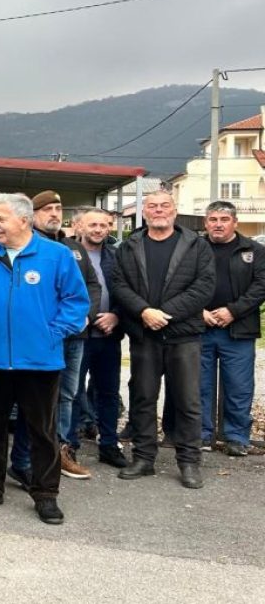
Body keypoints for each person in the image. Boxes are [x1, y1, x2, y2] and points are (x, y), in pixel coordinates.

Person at [0, 193, 89, 525]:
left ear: (23, 220)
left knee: (42, 432)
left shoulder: (56, 255)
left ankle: (46, 495)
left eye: (1, 218)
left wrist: (51, 333)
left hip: (40, 363)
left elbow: (77, 302)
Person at [110, 190, 214, 489]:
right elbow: (118, 284)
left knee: (188, 401)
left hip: (184, 335)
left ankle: (189, 462)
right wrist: (144, 311)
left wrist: (164, 314)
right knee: (143, 398)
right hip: (145, 336)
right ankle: (143, 459)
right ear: (144, 212)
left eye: (164, 205)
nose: (159, 210)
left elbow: (204, 287)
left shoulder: (197, 245)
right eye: (152, 206)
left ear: (174, 210)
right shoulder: (129, 246)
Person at [9, 191, 100, 483]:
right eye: (47, 209)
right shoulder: (25, 246)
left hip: (75, 335)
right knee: (35, 401)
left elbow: (91, 285)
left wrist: (85, 316)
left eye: (58, 208)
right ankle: (26, 460)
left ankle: (60, 452)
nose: (54, 213)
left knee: (68, 395)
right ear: (31, 215)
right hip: (44, 337)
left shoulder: (74, 247)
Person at [196, 201, 265, 457]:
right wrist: (198, 311)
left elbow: (261, 286)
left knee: (238, 387)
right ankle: (201, 435)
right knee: (199, 386)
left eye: (224, 220)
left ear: (235, 223)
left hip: (239, 329)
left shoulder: (254, 250)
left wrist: (233, 311)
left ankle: (236, 437)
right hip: (200, 327)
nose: (218, 224)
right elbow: (180, 282)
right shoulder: (193, 248)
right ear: (206, 223)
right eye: (213, 219)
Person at [72, 207, 128, 469]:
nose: (98, 230)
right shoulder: (67, 254)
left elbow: (127, 291)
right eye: (92, 225)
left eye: (103, 225)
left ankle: (108, 444)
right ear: (79, 227)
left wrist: (116, 316)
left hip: (108, 335)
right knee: (72, 392)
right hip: (77, 335)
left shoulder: (117, 256)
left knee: (108, 392)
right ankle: (68, 445)